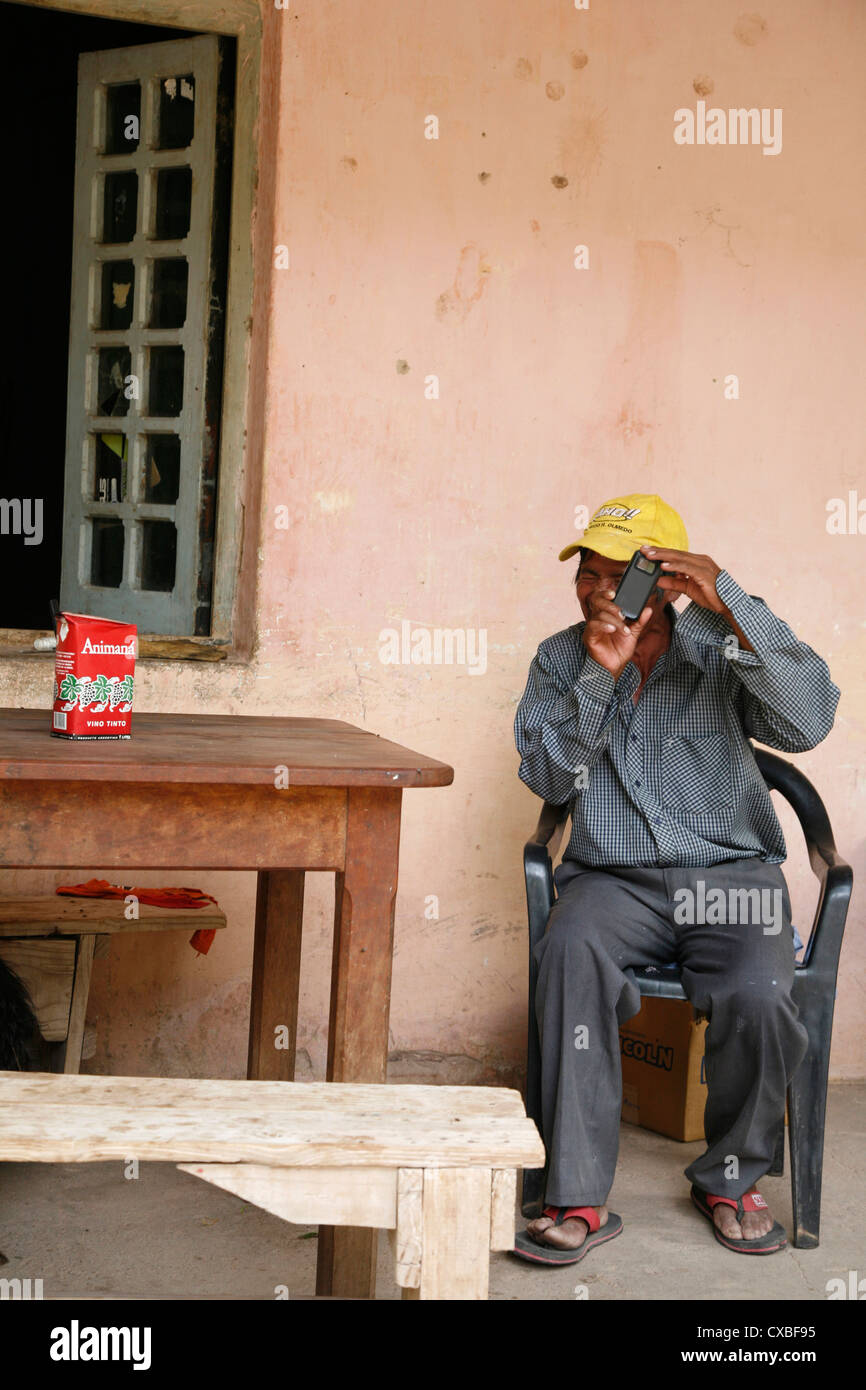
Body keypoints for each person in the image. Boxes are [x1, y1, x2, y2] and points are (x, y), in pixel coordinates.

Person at [511, 493, 840, 1263]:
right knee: (570, 955)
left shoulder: (720, 647)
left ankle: (729, 1179)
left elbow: (810, 721)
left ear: (664, 580)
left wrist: (733, 605)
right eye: (585, 573)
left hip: (728, 876)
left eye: (613, 574)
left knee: (762, 991)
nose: (595, 589)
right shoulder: (560, 657)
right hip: (614, 880)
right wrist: (597, 677)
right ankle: (578, 1196)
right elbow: (548, 777)